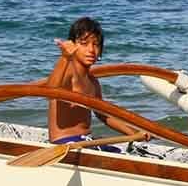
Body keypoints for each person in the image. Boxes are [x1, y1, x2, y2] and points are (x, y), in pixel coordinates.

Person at [45, 17, 127, 147]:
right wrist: (65, 57)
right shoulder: (68, 72)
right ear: (72, 45)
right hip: (64, 143)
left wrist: (135, 132)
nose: (91, 50)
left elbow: (103, 115)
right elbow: (50, 92)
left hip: (86, 140)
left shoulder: (93, 81)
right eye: (84, 44)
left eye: (96, 44)